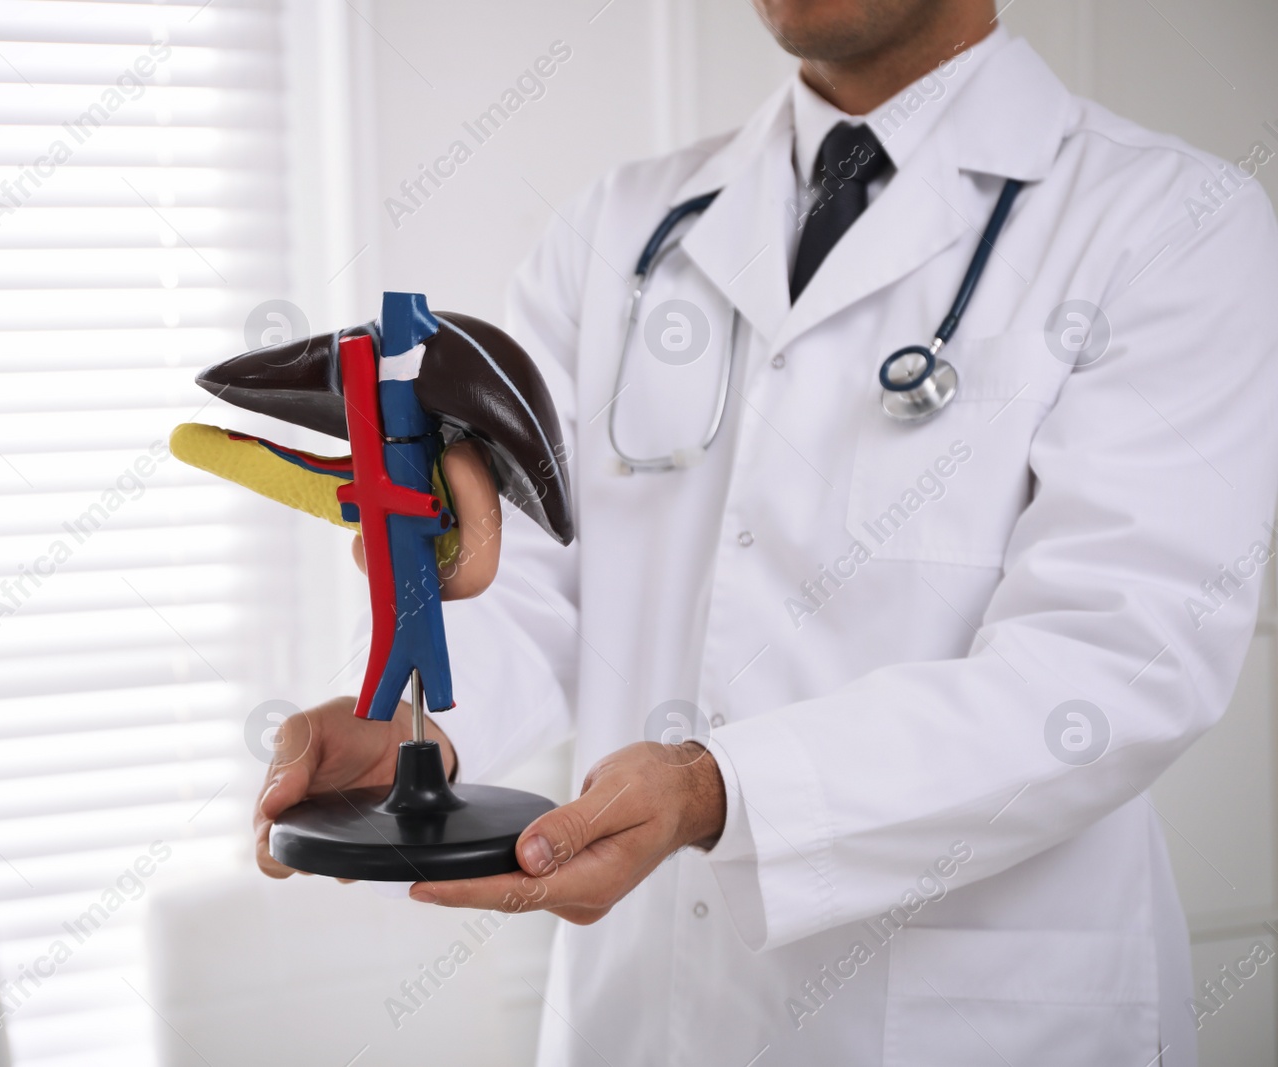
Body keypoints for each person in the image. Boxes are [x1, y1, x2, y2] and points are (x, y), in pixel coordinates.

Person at [254, 0, 1278, 1062]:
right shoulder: (622, 226)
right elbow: (527, 571)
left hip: (975, 1018)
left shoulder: (1170, 222)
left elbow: (1111, 665)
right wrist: (423, 734)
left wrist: (722, 788)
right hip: (644, 1013)